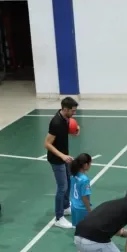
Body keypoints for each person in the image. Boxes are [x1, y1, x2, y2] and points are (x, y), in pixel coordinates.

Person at [44, 97, 79, 229]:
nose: (74, 113)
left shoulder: (66, 118)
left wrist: (75, 130)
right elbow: (47, 143)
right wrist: (62, 156)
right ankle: (59, 218)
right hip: (56, 159)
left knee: (68, 182)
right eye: (73, 111)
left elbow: (70, 127)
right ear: (65, 109)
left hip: (64, 157)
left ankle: (65, 207)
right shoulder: (56, 122)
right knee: (62, 187)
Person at [69, 153, 93, 252]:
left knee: (78, 229)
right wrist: (89, 210)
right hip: (82, 208)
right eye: (90, 163)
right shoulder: (84, 179)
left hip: (74, 206)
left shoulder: (73, 175)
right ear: (85, 164)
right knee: (87, 230)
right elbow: (84, 197)